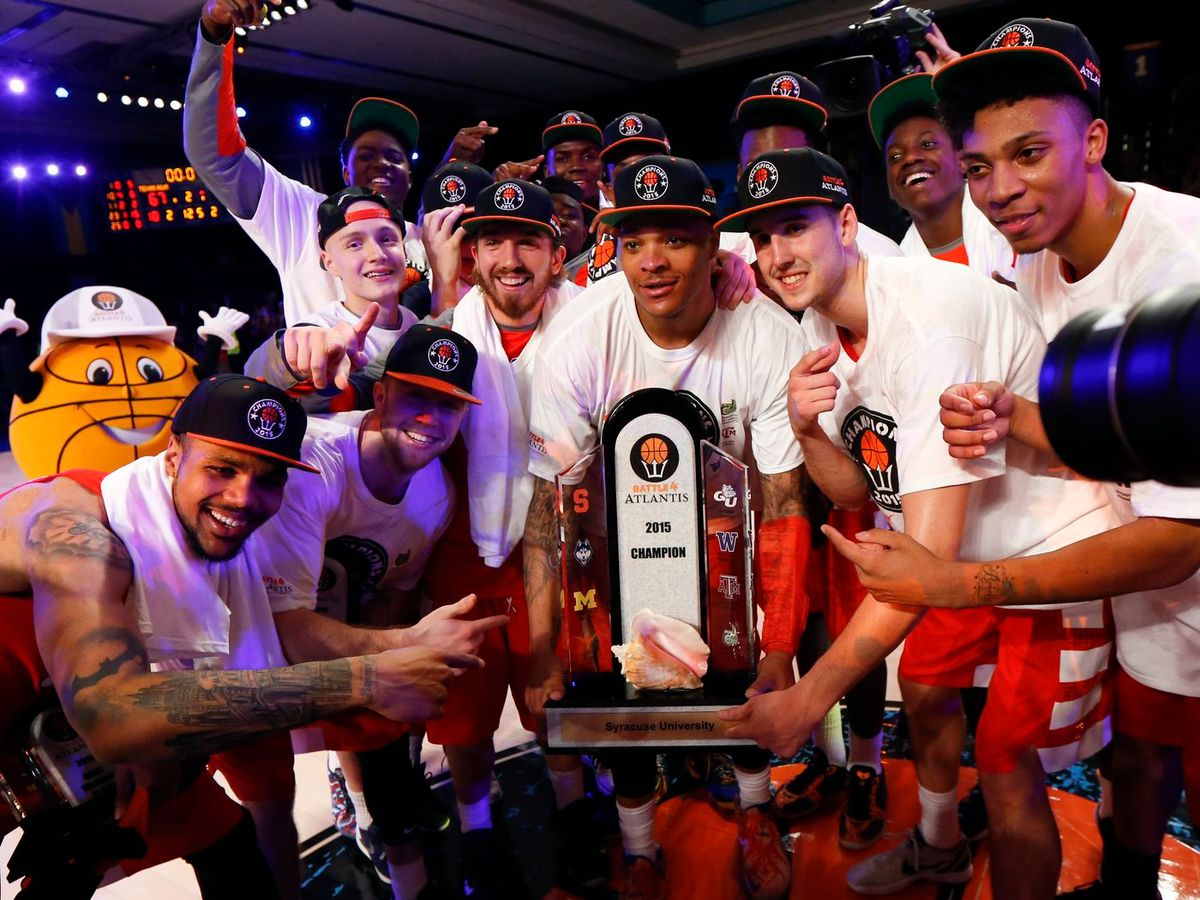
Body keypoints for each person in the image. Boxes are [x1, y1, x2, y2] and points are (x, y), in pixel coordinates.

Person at [821, 19, 1200, 899]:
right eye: (980, 164)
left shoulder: (1177, 268)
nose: (999, 188)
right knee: (1141, 763)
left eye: (1029, 152)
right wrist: (1014, 419)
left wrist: (960, 585)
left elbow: (1183, 538)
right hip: (1139, 590)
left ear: (1095, 139)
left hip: (1173, 559)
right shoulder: (1030, 247)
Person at [713, 146, 1120, 900]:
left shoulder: (930, 316)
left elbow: (927, 553)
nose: (776, 256)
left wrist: (809, 700)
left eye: (793, 228)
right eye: (762, 239)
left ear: (843, 223)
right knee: (928, 690)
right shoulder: (822, 324)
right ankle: (940, 850)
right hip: (960, 555)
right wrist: (808, 435)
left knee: (1003, 759)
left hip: (1050, 550)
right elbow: (854, 489)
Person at [252, 180, 608, 897]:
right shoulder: (432, 333)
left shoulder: (598, 319)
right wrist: (286, 360)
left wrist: (730, 274)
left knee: (561, 706)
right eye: (494, 242)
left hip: (565, 550)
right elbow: (290, 380)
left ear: (557, 251)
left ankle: (576, 822)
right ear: (470, 255)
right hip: (458, 559)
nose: (511, 257)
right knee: (465, 723)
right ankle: (478, 833)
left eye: (529, 240)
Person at [0, 374, 480, 898]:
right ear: (173, 452)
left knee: (227, 844)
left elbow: (273, 645)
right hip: (42, 712)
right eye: (221, 469)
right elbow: (112, 718)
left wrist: (404, 640)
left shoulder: (211, 530)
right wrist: (363, 678)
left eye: (269, 477)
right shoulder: (79, 537)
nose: (243, 497)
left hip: (49, 735)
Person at [524, 155, 809, 900]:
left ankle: (756, 811)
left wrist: (780, 646)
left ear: (714, 245)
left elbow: (782, 502)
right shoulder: (581, 339)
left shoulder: (766, 334)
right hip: (616, 551)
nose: (652, 262)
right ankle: (640, 847)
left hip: (728, 546)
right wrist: (539, 648)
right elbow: (550, 506)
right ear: (612, 245)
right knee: (606, 680)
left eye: (675, 240)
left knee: (744, 676)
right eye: (633, 240)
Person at [252, 326, 505, 899]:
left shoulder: (435, 495)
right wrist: (404, 646)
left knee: (392, 740)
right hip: (243, 643)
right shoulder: (315, 465)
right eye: (417, 397)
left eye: (449, 405)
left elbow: (388, 596)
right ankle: (364, 802)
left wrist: (400, 663)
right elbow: (284, 628)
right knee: (265, 801)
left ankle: (387, 822)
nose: (431, 418)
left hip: (329, 624)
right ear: (381, 394)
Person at [183, 0, 487, 324]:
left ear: (410, 177)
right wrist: (214, 34)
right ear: (345, 171)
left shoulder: (428, 242)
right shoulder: (303, 217)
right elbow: (215, 157)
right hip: (322, 374)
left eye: (394, 158)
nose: (381, 164)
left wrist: (456, 170)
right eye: (366, 155)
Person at [723, 70, 903, 271]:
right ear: (739, 176)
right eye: (757, 166)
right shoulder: (720, 262)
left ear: (819, 165)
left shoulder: (880, 257)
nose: (775, 176)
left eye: (789, 163)